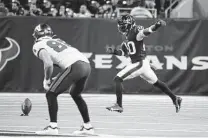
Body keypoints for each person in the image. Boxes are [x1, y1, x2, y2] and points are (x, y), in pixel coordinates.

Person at [106, 14, 182, 113]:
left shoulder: (135, 32)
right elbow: (125, 53)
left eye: (122, 25)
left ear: (129, 24)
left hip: (139, 63)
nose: (120, 27)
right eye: (120, 25)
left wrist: (157, 25)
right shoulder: (126, 38)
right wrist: (115, 52)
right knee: (157, 83)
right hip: (143, 64)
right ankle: (175, 98)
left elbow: (146, 31)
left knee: (118, 79)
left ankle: (119, 105)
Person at [32, 24, 94, 135]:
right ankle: (88, 127)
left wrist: (47, 79)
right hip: (86, 64)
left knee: (50, 94)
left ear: (37, 34)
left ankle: (52, 127)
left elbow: (48, 64)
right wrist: (57, 77)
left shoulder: (39, 45)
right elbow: (67, 60)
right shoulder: (58, 40)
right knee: (75, 94)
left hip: (75, 66)